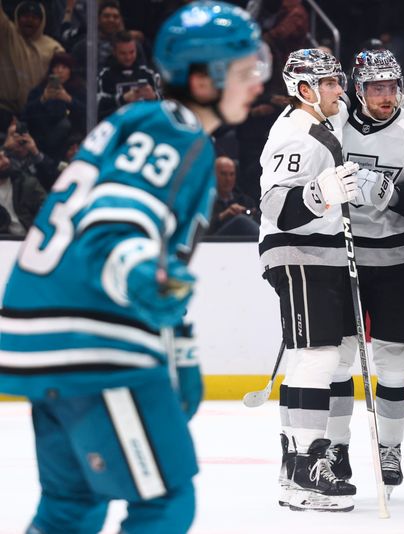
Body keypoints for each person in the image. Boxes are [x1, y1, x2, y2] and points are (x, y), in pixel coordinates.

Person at [0, 3, 269, 532]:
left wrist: (181, 347)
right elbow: (116, 228)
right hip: (94, 337)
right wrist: (148, 280)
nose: (257, 82)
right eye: (245, 69)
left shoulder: (136, 121)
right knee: (164, 502)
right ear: (204, 76)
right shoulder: (174, 129)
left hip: (44, 330)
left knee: (71, 506)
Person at [327, 48, 404, 494]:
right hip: (343, 257)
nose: (386, 95)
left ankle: (389, 448)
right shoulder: (333, 126)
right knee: (337, 360)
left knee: (394, 360)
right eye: (376, 88)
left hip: (398, 260)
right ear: (359, 89)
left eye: (392, 86)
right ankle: (334, 448)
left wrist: (389, 194)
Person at [258, 48, 359, 513]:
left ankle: (298, 463)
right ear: (305, 90)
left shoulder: (321, 124)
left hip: (324, 253)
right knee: (316, 355)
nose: (342, 90)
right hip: (300, 253)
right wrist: (322, 194)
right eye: (332, 83)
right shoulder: (295, 134)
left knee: (318, 356)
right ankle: (307, 465)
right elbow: (275, 207)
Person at [0, 0, 65, 124]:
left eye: (35, 17)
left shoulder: (54, 48)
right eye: (25, 16)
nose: (29, 20)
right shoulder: (7, 34)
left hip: (37, 115)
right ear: (17, 18)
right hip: (4, 112)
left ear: (42, 21)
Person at [23, 52, 87, 160]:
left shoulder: (79, 90)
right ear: (51, 70)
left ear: (70, 70)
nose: (60, 71)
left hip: (72, 140)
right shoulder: (39, 90)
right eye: (56, 67)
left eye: (64, 67)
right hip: (44, 140)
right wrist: (43, 99)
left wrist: (69, 99)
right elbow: (26, 115)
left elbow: (88, 113)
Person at [97, 30, 162, 120]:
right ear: (114, 52)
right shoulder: (104, 76)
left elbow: (165, 103)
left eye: (132, 52)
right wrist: (123, 99)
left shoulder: (148, 74)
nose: (128, 57)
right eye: (123, 53)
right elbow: (97, 105)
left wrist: (154, 97)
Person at [207, 156, 259, 237]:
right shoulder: (205, 202)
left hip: (243, 245)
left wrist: (253, 215)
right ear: (213, 175)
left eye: (232, 174)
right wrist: (222, 216)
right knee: (241, 220)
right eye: (223, 174)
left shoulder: (245, 201)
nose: (228, 179)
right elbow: (200, 229)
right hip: (211, 243)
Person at [0, 147, 46, 235]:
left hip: (31, 240)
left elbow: (49, 211)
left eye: (5, 156)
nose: (6, 161)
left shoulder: (27, 184)